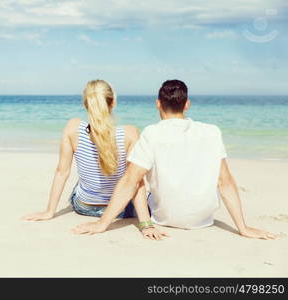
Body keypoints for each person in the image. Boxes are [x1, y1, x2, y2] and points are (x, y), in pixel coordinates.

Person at [72, 80, 277, 240]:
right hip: (203, 219)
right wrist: (243, 227)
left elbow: (129, 181)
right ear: (186, 104)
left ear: (158, 104)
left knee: (139, 179)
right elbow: (225, 183)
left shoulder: (151, 134)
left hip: (165, 218)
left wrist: (102, 224)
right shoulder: (212, 132)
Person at [23, 80, 167, 238]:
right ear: (113, 103)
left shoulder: (73, 127)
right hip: (123, 210)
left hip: (84, 206)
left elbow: (62, 172)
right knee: (134, 179)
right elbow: (135, 182)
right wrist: (146, 224)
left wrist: (49, 211)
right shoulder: (129, 134)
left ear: (86, 104)